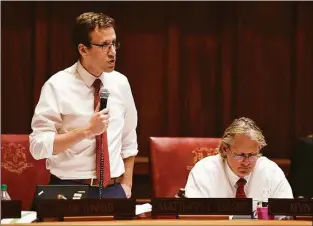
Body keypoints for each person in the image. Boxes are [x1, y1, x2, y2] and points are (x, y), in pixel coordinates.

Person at [29, 12, 138, 199]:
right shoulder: (57, 86)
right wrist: (86, 131)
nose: (112, 52)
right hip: (68, 190)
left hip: (113, 190)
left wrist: (126, 184)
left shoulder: (120, 83)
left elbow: (128, 140)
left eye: (114, 43)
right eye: (104, 45)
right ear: (83, 49)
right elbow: (37, 146)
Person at [184, 117, 293, 202]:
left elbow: (287, 217)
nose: (246, 162)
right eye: (239, 155)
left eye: (252, 155)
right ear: (224, 149)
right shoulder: (204, 172)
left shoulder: (271, 172)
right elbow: (194, 219)